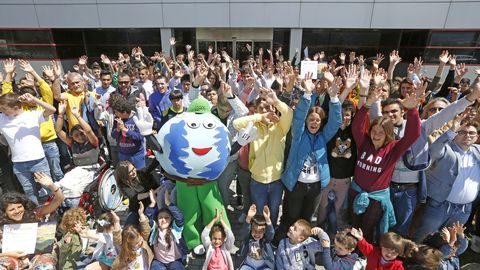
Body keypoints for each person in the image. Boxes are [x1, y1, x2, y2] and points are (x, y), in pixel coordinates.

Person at [349, 85, 422, 242]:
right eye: (374, 131)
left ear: (388, 134)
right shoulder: (364, 143)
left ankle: (363, 255)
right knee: (353, 224)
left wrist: (412, 110)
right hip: (356, 192)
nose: (376, 135)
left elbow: (413, 134)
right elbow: (356, 127)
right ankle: (351, 250)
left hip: (376, 199)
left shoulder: (393, 148)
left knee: (367, 229)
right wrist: (367, 104)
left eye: (381, 133)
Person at [281, 73, 342, 234]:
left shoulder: (323, 137)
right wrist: (307, 94)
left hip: (315, 186)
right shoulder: (298, 135)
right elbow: (299, 117)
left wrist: (334, 97)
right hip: (296, 184)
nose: (314, 122)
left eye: (317, 120)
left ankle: (302, 242)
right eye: (311, 119)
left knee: (307, 217)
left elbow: (336, 122)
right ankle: (287, 241)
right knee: (291, 216)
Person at [412, 115, 480, 241]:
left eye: (472, 133)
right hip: (439, 205)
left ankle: (437, 260)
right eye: (462, 132)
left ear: (477, 137)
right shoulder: (446, 148)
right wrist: (450, 131)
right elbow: (433, 151)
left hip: (463, 210)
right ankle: (410, 257)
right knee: (423, 234)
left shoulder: (477, 152)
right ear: (455, 134)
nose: (467, 135)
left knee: (448, 240)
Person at [233, 87, 293, 226]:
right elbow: (236, 124)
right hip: (257, 181)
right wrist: (259, 117)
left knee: (273, 212)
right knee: (259, 213)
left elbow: (289, 113)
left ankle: (269, 240)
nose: (266, 111)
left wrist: (276, 101)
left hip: (276, 180)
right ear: (257, 111)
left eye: (268, 108)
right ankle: (258, 238)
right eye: (262, 108)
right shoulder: (254, 126)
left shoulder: (280, 126)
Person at [0, 93, 56, 204]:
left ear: (15, 107)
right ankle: (35, 215)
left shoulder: (33, 115)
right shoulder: (2, 118)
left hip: (38, 160)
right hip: (18, 163)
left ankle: (58, 211)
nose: (2, 111)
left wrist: (34, 99)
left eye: (4, 108)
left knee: (49, 187)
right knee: (29, 192)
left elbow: (52, 109)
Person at [0, 172, 64, 269]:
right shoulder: (2, 225)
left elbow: (59, 199)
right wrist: (11, 254)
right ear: (5, 212)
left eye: (19, 207)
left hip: (39, 254)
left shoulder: (35, 214)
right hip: (14, 256)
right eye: (12, 209)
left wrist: (52, 186)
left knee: (45, 266)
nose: (17, 211)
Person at [54, 101, 100, 208]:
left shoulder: (93, 142)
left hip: (91, 171)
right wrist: (61, 114)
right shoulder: (72, 144)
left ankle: (74, 208)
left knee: (73, 190)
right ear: (72, 137)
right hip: (77, 170)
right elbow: (58, 130)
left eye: (81, 134)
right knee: (60, 185)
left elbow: (88, 131)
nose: (80, 137)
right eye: (76, 135)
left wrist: (78, 116)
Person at [148, 190, 188, 270]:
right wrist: (153, 203)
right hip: (159, 262)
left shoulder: (175, 229)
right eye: (160, 218)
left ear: (171, 219)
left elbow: (180, 218)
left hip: (175, 261)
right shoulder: (155, 229)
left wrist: (169, 203)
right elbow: (147, 218)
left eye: (166, 217)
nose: (163, 220)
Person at [114, 160, 159, 226]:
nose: (134, 172)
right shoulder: (123, 185)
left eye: (133, 168)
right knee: (129, 227)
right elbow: (135, 196)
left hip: (153, 203)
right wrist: (153, 192)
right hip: (137, 209)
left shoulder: (141, 173)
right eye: (130, 172)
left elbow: (152, 165)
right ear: (125, 175)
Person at [112, 202, 154, 269]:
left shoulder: (143, 242)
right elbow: (117, 238)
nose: (140, 242)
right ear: (128, 242)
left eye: (140, 240)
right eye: (137, 243)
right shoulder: (125, 248)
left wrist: (141, 214)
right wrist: (116, 222)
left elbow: (146, 229)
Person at [350, 228, 417, 270]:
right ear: (382, 246)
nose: (389, 254)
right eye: (387, 249)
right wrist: (360, 238)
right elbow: (365, 246)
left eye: (394, 252)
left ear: (399, 254)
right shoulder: (373, 252)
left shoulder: (397, 266)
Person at [111, 97, 146, 169]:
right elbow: (113, 135)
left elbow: (140, 136)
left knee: (140, 176)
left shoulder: (137, 119)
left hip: (136, 155)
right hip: (123, 154)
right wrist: (117, 129)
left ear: (124, 112)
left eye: (116, 112)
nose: (115, 114)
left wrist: (125, 130)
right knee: (125, 177)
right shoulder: (117, 120)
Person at [238, 205, 275, 270]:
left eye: (260, 231)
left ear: (264, 232)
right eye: (254, 230)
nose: (257, 234)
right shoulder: (248, 238)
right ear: (251, 230)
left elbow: (271, 233)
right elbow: (244, 231)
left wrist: (267, 219)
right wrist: (249, 217)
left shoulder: (265, 240)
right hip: (248, 266)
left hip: (263, 267)